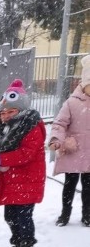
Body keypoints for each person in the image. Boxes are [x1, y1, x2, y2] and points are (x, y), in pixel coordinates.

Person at [0, 80, 46, 247]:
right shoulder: (5, 129)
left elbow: (26, 154)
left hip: (28, 180)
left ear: (21, 110)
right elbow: (1, 149)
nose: (6, 116)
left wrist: (1, 159)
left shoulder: (31, 127)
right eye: (3, 113)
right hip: (13, 181)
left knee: (23, 217)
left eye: (11, 111)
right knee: (10, 216)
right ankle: (17, 243)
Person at [49, 56, 90, 227]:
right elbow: (59, 124)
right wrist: (56, 140)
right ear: (84, 83)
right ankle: (65, 214)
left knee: (88, 188)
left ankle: (87, 215)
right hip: (73, 151)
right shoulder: (72, 103)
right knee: (69, 185)